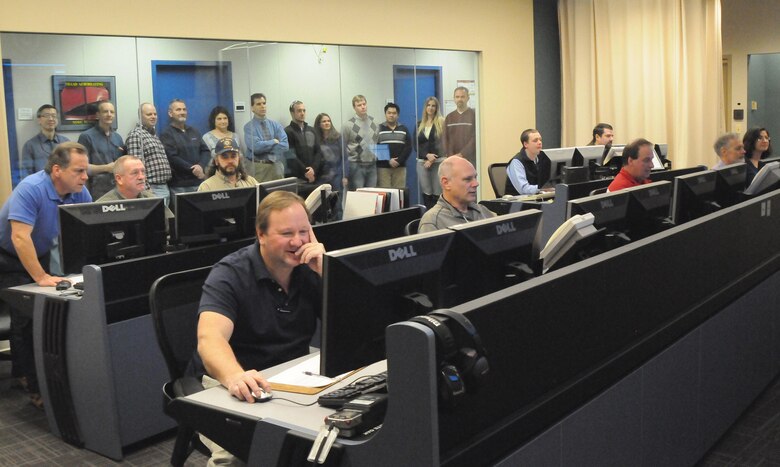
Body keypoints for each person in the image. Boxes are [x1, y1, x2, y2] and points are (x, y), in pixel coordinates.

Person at [191, 191, 325, 464]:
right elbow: (210, 339)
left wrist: (329, 273)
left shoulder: (310, 269)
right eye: (286, 233)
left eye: (303, 231)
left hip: (295, 374)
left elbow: (349, 322)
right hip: (230, 378)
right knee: (235, 455)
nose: (298, 241)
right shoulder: (230, 274)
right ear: (261, 234)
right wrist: (234, 376)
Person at [0, 142, 91, 407]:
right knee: (27, 318)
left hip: (34, 254)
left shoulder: (79, 192)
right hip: (7, 257)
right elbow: (19, 237)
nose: (85, 177)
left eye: (85, 171)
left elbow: (89, 229)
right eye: (79, 171)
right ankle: (34, 385)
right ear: (57, 170)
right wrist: (40, 277)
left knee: (46, 314)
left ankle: (25, 374)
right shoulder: (32, 188)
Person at [418, 156, 495, 233]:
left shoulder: (482, 210)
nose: (476, 184)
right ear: (446, 183)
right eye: (468, 179)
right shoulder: (433, 222)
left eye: (475, 177)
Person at [97, 155, 174, 220]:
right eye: (135, 173)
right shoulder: (103, 206)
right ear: (119, 179)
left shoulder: (151, 199)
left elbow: (172, 224)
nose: (141, 177)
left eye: (143, 172)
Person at [159, 99, 211, 196]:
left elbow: (205, 151)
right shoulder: (166, 134)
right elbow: (172, 157)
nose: (182, 112)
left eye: (184, 109)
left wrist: (201, 166)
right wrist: (193, 169)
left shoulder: (194, 131)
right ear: (170, 113)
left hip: (199, 182)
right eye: (178, 110)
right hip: (179, 185)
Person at [125, 103, 173, 205]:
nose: (153, 117)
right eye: (149, 114)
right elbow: (135, 166)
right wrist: (146, 190)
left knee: (164, 220)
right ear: (140, 116)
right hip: (151, 188)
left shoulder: (153, 135)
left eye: (155, 114)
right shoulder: (136, 135)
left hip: (164, 186)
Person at [78, 101, 125, 199]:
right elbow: (81, 166)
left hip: (119, 188)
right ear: (98, 115)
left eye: (112, 112)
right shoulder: (86, 137)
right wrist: (106, 168)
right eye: (105, 111)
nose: (109, 114)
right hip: (97, 190)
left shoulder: (118, 138)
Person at [243, 93, 289, 182]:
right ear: (252, 108)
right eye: (258, 104)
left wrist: (264, 146)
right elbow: (255, 147)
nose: (262, 106)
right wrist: (273, 142)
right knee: (260, 195)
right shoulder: (249, 127)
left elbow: (285, 146)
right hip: (259, 168)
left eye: (264, 103)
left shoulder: (276, 125)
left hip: (276, 166)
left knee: (278, 194)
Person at [19, 104, 70, 179]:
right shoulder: (30, 145)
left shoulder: (66, 142)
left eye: (54, 116)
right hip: (40, 187)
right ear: (39, 120)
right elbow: (26, 173)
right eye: (46, 115)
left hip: (63, 186)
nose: (51, 119)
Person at [342, 94, 379, 189]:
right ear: (354, 107)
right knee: (358, 195)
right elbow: (342, 147)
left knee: (372, 195)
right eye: (359, 105)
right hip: (356, 165)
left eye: (364, 104)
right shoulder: (348, 125)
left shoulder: (375, 123)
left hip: (372, 165)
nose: (363, 107)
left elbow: (377, 142)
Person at [416, 97, 446, 209]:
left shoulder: (441, 122)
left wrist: (433, 157)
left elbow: (443, 142)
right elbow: (416, 144)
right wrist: (427, 156)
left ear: (436, 108)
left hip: (438, 161)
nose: (431, 108)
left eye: (433, 105)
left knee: (437, 193)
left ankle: (438, 217)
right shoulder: (420, 123)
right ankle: (429, 217)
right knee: (427, 193)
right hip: (423, 162)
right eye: (428, 105)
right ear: (425, 107)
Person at [284, 100, 323, 184]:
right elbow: (290, 156)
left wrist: (313, 169)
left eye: (304, 110)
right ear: (292, 113)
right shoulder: (287, 131)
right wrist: (306, 172)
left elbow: (318, 152)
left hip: (313, 176)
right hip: (297, 178)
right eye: (299, 111)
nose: (302, 113)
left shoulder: (311, 130)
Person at [505, 128, 552, 196]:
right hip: (516, 203)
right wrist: (543, 188)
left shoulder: (541, 158)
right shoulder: (516, 162)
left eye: (540, 140)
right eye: (535, 140)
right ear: (525, 144)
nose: (539, 142)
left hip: (536, 198)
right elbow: (523, 189)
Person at [376, 103, 412, 189]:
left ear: (398, 115)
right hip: (383, 168)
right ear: (385, 114)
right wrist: (389, 160)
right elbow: (375, 147)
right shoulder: (378, 129)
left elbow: (408, 147)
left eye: (394, 113)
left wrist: (399, 161)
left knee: (399, 194)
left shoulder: (404, 129)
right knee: (385, 194)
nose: (391, 115)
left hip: (400, 167)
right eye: (389, 113)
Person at [443, 86, 476, 166]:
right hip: (453, 160)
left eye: (462, 97)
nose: (460, 99)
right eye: (457, 97)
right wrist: (451, 156)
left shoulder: (474, 115)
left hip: (470, 159)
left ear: (468, 98)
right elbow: (445, 138)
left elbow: (475, 138)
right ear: (454, 98)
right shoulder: (449, 117)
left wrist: (462, 154)